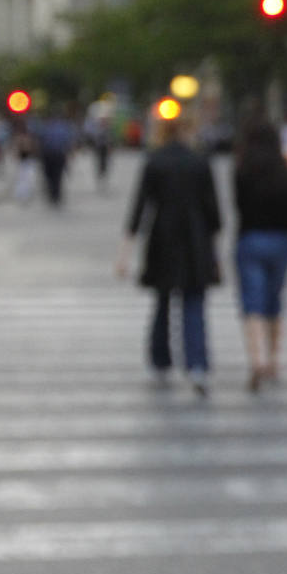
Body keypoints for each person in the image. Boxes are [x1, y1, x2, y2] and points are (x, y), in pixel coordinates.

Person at [117, 116, 222, 397]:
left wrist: (125, 253)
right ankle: (197, 363)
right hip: (195, 239)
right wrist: (216, 250)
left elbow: (139, 207)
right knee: (194, 304)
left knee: (162, 302)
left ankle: (160, 360)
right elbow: (213, 212)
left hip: (162, 239)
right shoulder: (200, 163)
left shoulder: (155, 161)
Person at [232, 120, 287, 391]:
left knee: (252, 305)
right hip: (280, 243)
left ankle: (256, 359)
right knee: (274, 303)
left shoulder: (242, 173)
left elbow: (238, 209)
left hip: (250, 240)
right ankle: (274, 359)